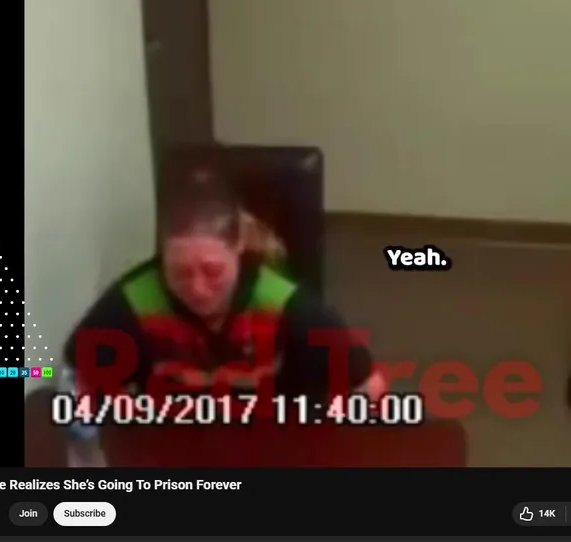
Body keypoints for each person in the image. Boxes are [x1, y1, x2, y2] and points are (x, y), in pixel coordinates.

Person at [64, 166, 385, 400]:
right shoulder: (135, 299)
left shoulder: (287, 306)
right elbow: (77, 376)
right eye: (180, 272)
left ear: (238, 248)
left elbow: (370, 389)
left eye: (212, 271)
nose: (197, 289)